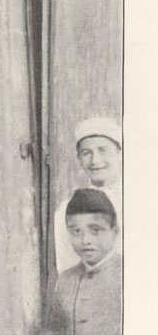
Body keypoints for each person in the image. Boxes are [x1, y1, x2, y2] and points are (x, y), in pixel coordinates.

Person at [42, 188, 121, 335]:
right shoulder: (63, 280)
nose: (85, 240)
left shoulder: (132, 277)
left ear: (114, 232)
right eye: (76, 231)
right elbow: (51, 329)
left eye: (95, 230)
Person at [54, 117, 122, 272]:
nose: (95, 160)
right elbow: (66, 267)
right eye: (86, 153)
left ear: (119, 153)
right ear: (78, 158)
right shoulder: (67, 209)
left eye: (102, 150)